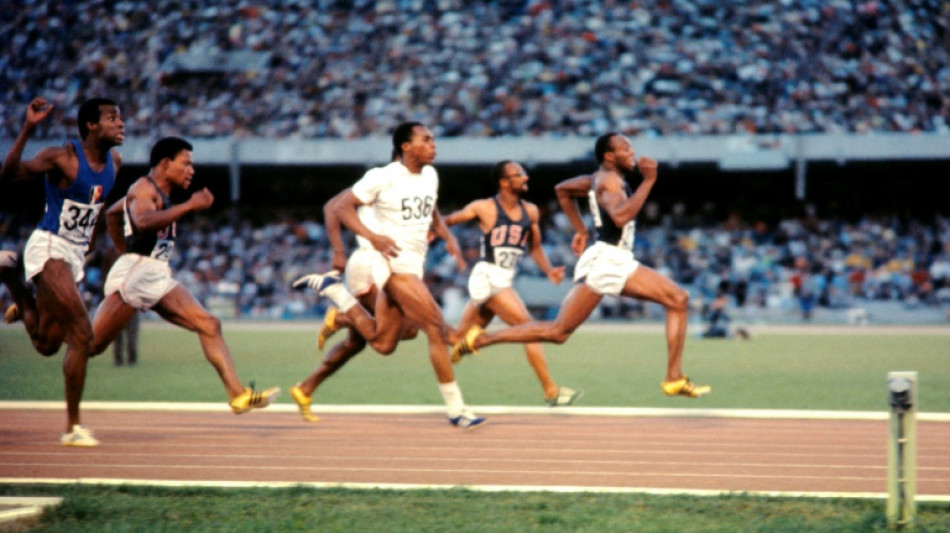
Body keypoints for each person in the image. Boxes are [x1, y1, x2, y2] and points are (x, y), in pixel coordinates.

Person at [452, 132, 710, 398]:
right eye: (626, 148)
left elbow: (562, 190)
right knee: (678, 298)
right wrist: (649, 180)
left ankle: (480, 338)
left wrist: (581, 230)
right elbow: (620, 217)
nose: (632, 153)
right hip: (611, 259)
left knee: (558, 332)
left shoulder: (597, 179)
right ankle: (673, 378)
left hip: (602, 257)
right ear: (609, 156)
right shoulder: (609, 181)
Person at [293, 122, 486, 429]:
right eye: (426, 140)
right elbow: (340, 206)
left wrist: (445, 232)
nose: (434, 145)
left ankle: (336, 293)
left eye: (434, 139)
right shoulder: (382, 177)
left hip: (415, 264)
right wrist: (372, 236)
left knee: (384, 343)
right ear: (406, 146)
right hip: (393, 266)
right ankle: (457, 410)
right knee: (437, 329)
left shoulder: (431, 175)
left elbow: (431, 206)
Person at [89, 137, 280, 429]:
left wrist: (120, 249)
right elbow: (140, 221)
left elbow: (114, 213)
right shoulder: (143, 188)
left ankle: (238, 394)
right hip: (137, 272)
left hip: (155, 272)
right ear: (166, 164)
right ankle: (38, 317)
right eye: (186, 163)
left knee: (209, 324)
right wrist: (189, 206)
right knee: (91, 345)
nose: (192, 170)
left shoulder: (159, 195)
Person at [0, 96, 125, 446]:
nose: (121, 124)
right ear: (91, 125)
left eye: (121, 118)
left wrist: (87, 248)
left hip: (72, 256)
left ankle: (9, 274)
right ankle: (73, 428)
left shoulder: (115, 161)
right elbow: (8, 175)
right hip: (49, 246)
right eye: (113, 118)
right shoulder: (63, 157)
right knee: (83, 334)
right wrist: (28, 128)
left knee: (45, 343)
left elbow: (95, 207)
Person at [443, 160, 579, 406]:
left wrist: (549, 270)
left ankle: (417, 320)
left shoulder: (531, 211)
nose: (525, 177)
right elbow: (450, 220)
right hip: (489, 277)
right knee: (529, 330)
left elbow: (534, 246)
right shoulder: (484, 207)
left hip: (503, 279)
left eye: (524, 173)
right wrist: (438, 233)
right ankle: (552, 392)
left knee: (457, 339)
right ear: (504, 182)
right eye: (519, 174)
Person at [288, 187, 419, 423]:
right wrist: (338, 251)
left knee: (357, 342)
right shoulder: (382, 180)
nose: (431, 149)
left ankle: (306, 387)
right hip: (372, 262)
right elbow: (331, 207)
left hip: (384, 262)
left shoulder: (417, 185)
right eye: (426, 146)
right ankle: (341, 316)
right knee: (406, 328)